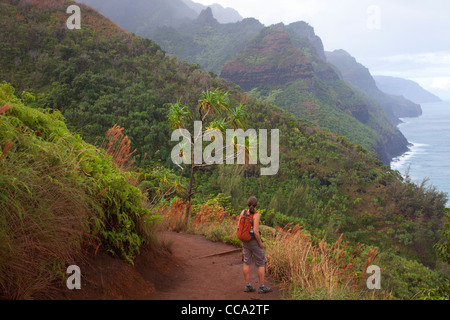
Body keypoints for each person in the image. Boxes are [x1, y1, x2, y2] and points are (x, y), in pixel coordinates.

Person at [238, 196, 272, 294]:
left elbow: (238, 226)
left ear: (248, 204)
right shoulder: (256, 215)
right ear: (256, 204)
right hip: (253, 241)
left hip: (244, 240)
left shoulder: (243, 212)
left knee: (246, 261)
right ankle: (261, 287)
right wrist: (260, 243)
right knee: (261, 262)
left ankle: (247, 285)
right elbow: (256, 231)